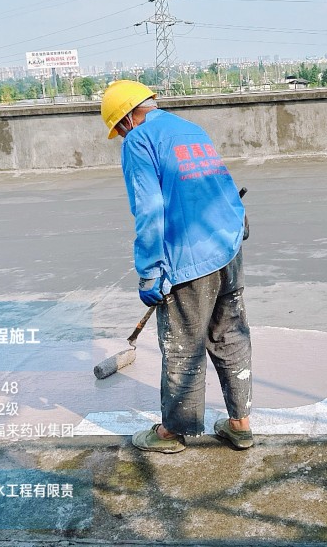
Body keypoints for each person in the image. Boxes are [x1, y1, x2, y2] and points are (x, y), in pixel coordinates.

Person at [100, 80, 253, 454]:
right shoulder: (190, 129)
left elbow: (149, 209)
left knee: (183, 345)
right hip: (227, 247)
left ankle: (172, 432)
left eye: (120, 130)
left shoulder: (139, 140)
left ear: (127, 119)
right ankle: (240, 425)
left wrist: (150, 269)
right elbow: (220, 182)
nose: (122, 137)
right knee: (230, 334)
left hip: (190, 258)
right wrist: (238, 219)